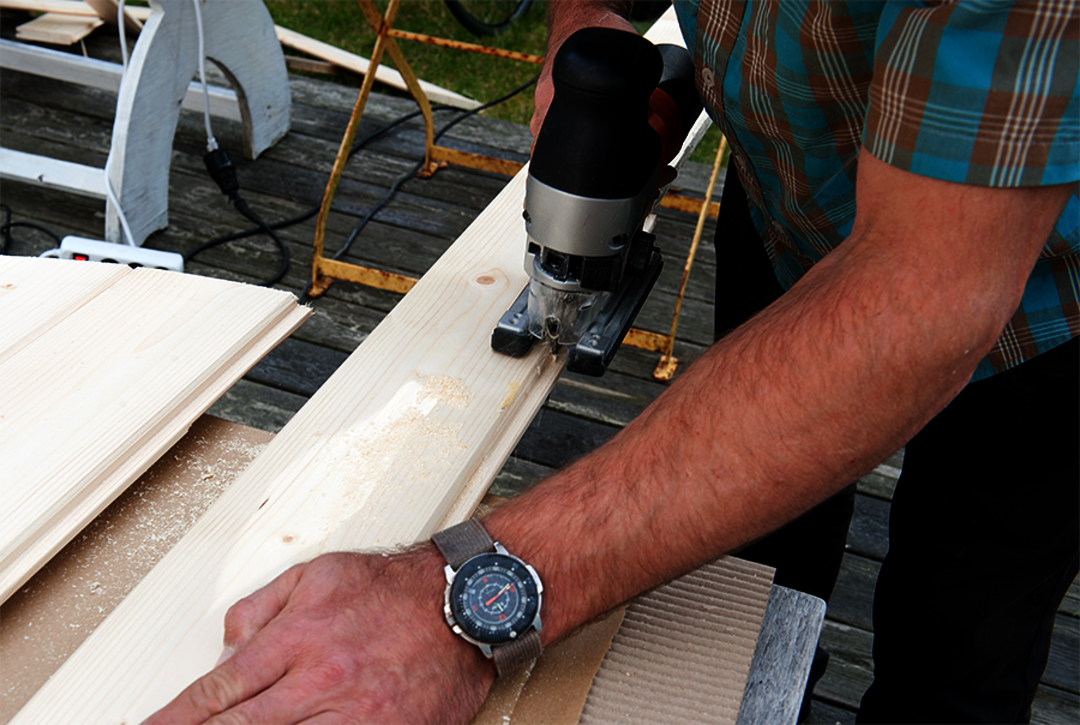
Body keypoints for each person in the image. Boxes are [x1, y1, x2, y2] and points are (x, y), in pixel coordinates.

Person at [144, 0, 1080, 722]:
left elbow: (922, 298)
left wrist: (466, 597)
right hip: (793, 199)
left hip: (1039, 304)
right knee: (750, 575)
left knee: (959, 643)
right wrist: (584, 27)